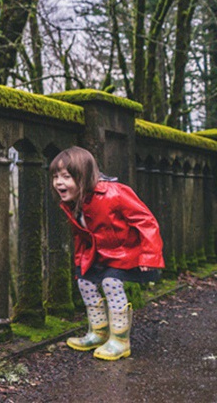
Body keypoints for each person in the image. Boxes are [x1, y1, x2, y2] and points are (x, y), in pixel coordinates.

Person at [50, 146, 164, 361]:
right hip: (99, 255)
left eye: (66, 176)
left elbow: (146, 221)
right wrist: (80, 263)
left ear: (83, 176)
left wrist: (149, 255)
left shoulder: (115, 193)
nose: (58, 183)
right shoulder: (75, 202)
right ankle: (98, 332)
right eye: (55, 177)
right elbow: (82, 236)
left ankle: (120, 340)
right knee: (84, 282)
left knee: (111, 282)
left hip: (127, 252)